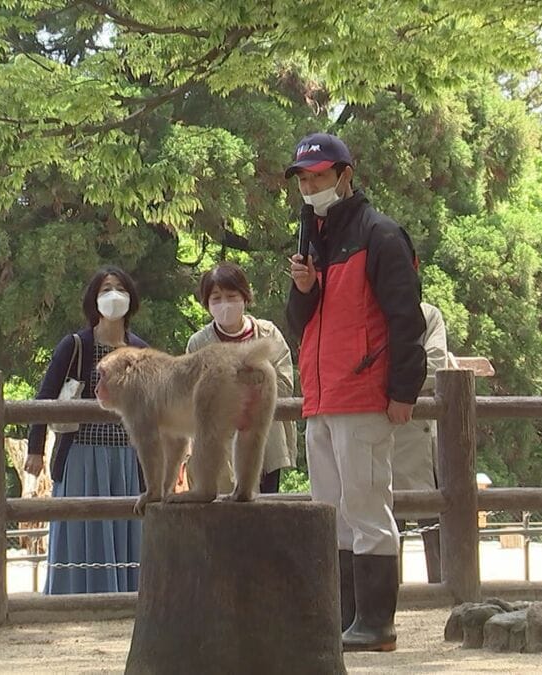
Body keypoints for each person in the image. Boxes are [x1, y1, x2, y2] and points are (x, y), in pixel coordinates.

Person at [286, 132, 427, 652]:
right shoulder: (310, 239)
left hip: (364, 393)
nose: (310, 186)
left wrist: (403, 390)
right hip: (320, 397)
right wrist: (304, 288)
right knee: (331, 511)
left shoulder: (383, 235)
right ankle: (346, 621)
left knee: (367, 509)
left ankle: (377, 624)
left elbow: (406, 319)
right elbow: (299, 322)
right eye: (303, 178)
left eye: (319, 176)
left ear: (346, 174)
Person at [25, 266, 148, 594]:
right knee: (81, 525)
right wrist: (35, 448)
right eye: (106, 289)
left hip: (127, 458)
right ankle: (73, 595)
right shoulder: (75, 345)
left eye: (120, 288)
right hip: (81, 454)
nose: (114, 295)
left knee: (125, 528)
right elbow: (45, 396)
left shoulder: (140, 349)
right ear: (94, 299)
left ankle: (125, 595)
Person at [185, 261, 297, 495]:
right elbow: (193, 396)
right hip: (218, 446)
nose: (224, 303)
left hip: (266, 440)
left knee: (266, 511)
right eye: (216, 298)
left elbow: (284, 386)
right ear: (206, 304)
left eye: (231, 295)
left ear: (245, 297)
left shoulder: (268, 334)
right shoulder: (198, 343)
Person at [391, 302, 448, 584]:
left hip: (420, 430)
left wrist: (393, 374)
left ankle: (442, 591)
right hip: (385, 434)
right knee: (387, 524)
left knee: (434, 521)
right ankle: (386, 595)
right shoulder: (366, 308)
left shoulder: (428, 315)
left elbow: (437, 365)